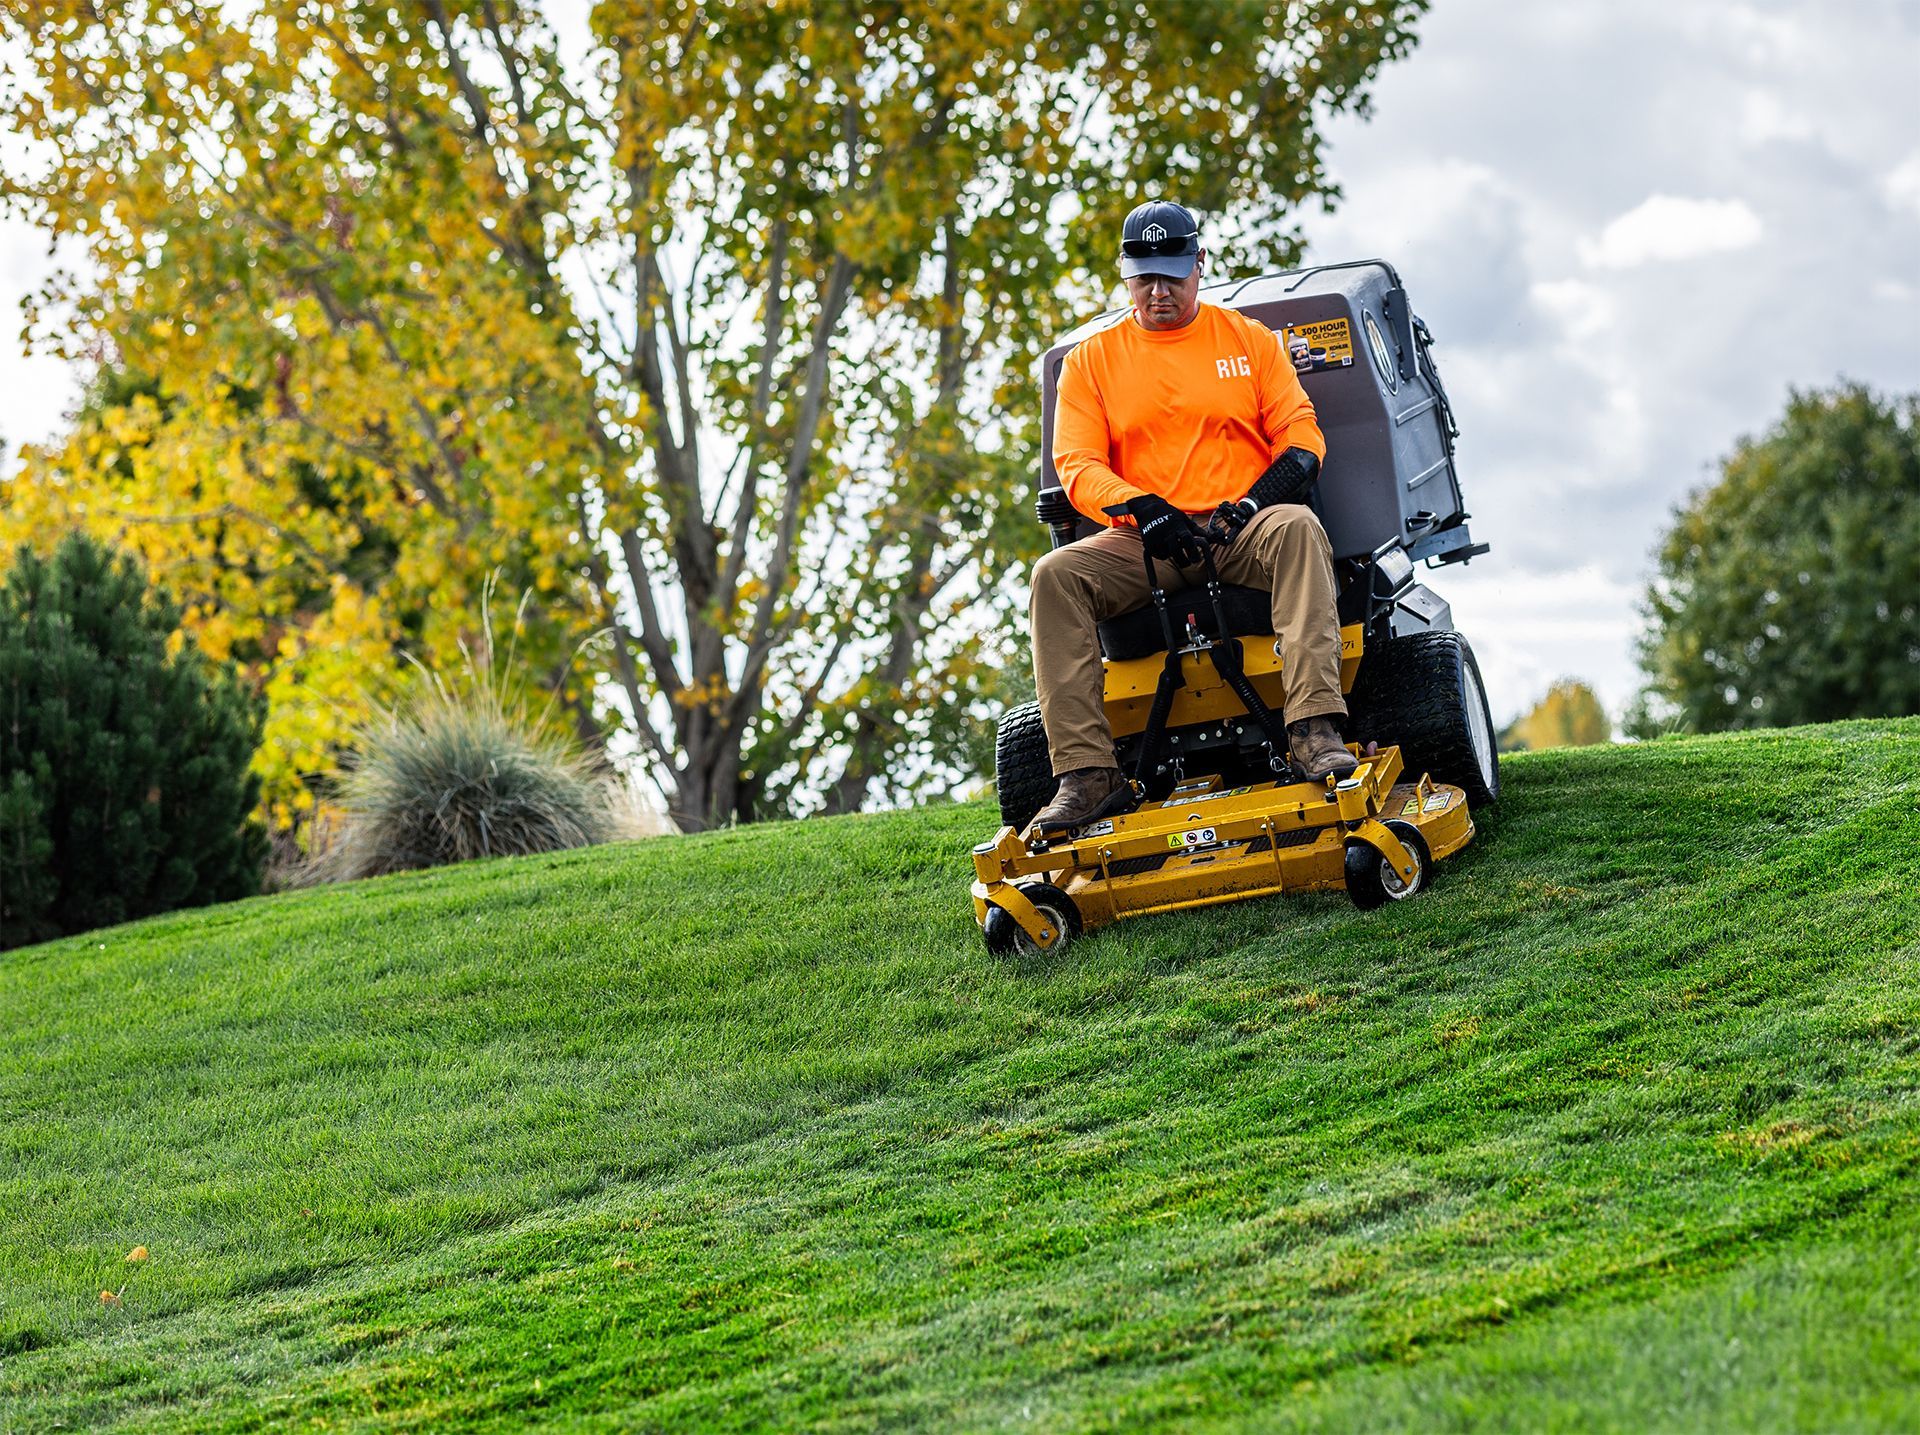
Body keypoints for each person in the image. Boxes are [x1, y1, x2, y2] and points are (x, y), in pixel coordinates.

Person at [1027, 200, 1356, 832]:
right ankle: (1088, 775)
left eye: (1173, 273)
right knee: (1054, 576)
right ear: (1125, 274)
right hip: (1147, 546)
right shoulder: (1090, 363)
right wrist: (1141, 508)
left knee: (1299, 529)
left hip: (1241, 529)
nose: (1159, 290)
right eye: (1145, 275)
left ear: (1199, 266)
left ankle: (1314, 728)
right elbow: (1077, 463)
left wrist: (1258, 500)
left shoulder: (1248, 341)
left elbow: (1301, 433)